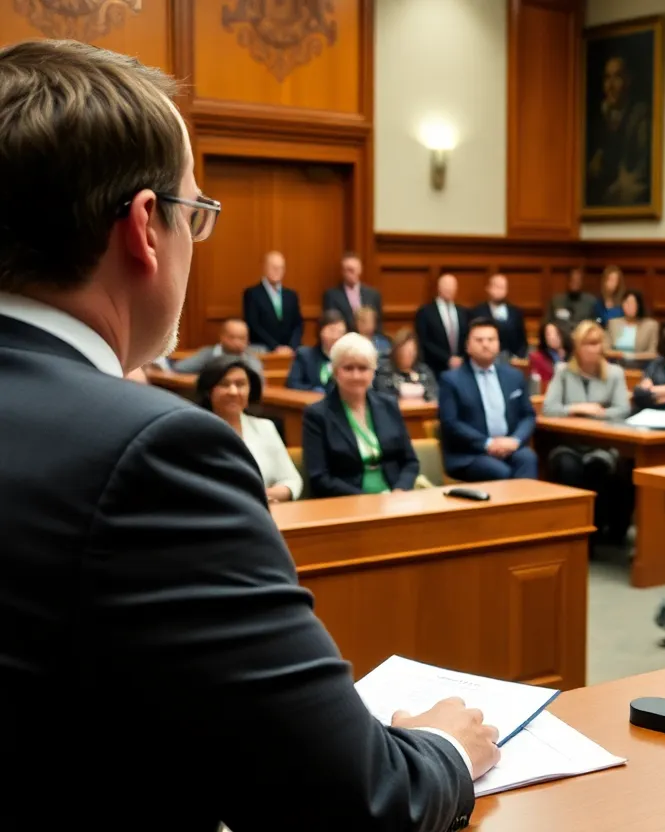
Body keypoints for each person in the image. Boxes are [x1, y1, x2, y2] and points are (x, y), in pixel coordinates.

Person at [0, 39, 494, 830]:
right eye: (195, 213)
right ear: (144, 229)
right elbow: (358, 802)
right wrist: (442, 747)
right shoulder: (155, 451)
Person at [542, 321, 633, 539]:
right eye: (587, 344)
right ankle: (573, 532)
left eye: (596, 344)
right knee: (568, 467)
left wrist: (596, 413)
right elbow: (549, 408)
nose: (593, 349)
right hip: (569, 444)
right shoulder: (563, 372)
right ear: (577, 347)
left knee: (599, 467)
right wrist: (576, 408)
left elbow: (623, 409)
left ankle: (597, 533)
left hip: (603, 446)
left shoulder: (614, 373)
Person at [303, 333, 420, 498]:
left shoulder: (389, 405)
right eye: (348, 368)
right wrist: (368, 500)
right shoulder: (317, 414)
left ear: (373, 372)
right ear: (336, 372)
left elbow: (410, 462)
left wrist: (400, 491)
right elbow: (319, 477)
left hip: (395, 498)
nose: (356, 375)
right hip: (348, 502)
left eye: (363, 368)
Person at [438, 318, 538, 481]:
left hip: (509, 446)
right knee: (500, 471)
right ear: (468, 346)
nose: (486, 344)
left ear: (498, 344)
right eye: (479, 340)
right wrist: (488, 444)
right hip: (470, 454)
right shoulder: (451, 380)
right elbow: (450, 423)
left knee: (528, 458)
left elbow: (528, 415)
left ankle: (526, 507)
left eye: (491, 340)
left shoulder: (514, 376)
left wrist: (515, 440)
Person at [197, 356, 301, 502]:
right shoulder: (195, 431)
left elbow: (292, 481)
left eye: (240, 384)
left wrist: (266, 497)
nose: (233, 391)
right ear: (208, 391)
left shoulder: (265, 427)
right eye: (224, 384)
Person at [585, 55, 650, 207]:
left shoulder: (640, 116)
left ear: (628, 80)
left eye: (617, 77)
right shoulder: (597, 116)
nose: (610, 86)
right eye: (607, 78)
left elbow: (638, 171)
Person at [242, 250, 302, 353]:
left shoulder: (291, 295)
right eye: (273, 267)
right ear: (264, 268)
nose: (277, 271)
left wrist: (292, 346)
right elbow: (253, 325)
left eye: (281, 268)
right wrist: (275, 347)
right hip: (263, 348)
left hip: (290, 349)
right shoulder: (252, 294)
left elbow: (298, 324)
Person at [172, 317, 265, 378]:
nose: (236, 342)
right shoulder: (207, 354)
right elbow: (180, 368)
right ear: (222, 337)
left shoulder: (250, 357)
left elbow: (259, 379)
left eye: (241, 338)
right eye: (232, 337)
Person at [415, 272, 469, 377]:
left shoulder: (463, 312)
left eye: (452, 286)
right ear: (439, 287)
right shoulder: (425, 312)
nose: (449, 289)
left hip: (461, 367)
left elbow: (468, 338)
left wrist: (461, 358)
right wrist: (447, 359)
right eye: (446, 285)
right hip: (435, 368)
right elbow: (424, 341)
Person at [286, 310, 346, 392]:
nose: (336, 336)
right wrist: (313, 391)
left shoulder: (347, 360)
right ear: (320, 331)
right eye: (332, 330)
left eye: (340, 332)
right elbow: (293, 384)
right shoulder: (304, 355)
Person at [322, 252, 383, 333]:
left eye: (355, 269)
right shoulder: (331, 295)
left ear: (360, 270)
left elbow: (378, 324)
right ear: (343, 272)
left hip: (369, 339)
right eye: (349, 270)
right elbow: (331, 324)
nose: (353, 273)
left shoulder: (373, 294)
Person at [471, 272, 528, 359]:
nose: (499, 291)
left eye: (502, 287)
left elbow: (522, 341)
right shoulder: (477, 312)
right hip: (485, 360)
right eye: (496, 287)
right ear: (488, 288)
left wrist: (518, 358)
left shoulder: (515, 312)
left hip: (512, 361)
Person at [376, 328, 438, 402]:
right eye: (404, 351)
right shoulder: (385, 372)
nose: (408, 355)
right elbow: (384, 399)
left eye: (411, 352)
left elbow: (434, 396)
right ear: (396, 351)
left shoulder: (424, 371)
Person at [606, 289, 658, 356]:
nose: (630, 306)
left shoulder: (651, 325)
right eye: (627, 303)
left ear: (639, 305)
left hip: (641, 364)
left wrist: (632, 357)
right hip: (616, 362)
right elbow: (605, 349)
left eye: (633, 303)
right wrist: (620, 355)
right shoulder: (612, 323)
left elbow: (652, 353)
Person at [529, 320, 571, 386]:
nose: (552, 337)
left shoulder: (574, 356)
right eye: (548, 334)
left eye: (556, 333)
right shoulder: (537, 358)